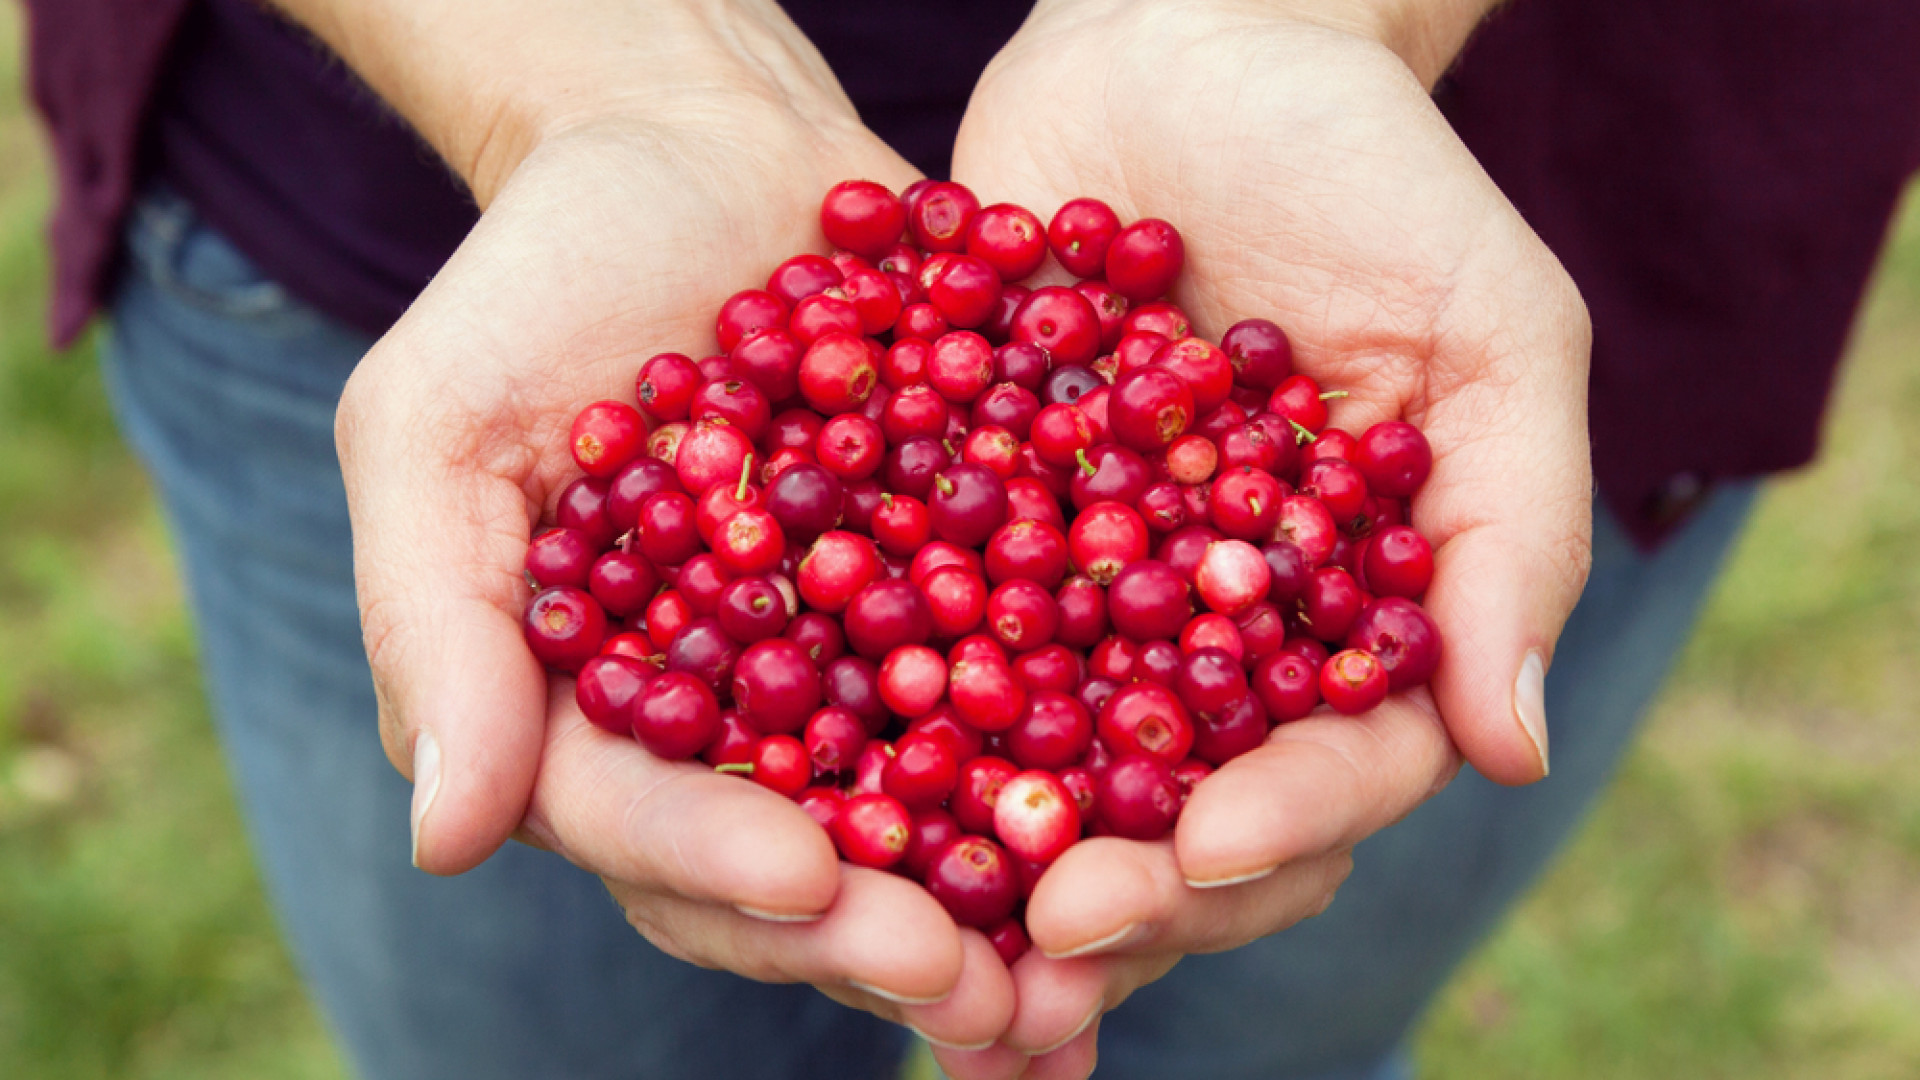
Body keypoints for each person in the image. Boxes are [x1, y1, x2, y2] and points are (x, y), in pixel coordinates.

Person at [23, 0, 1919, 1077]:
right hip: (403, 199)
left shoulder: (1213, 465)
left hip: (1478, 210)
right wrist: (596, 71)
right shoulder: (763, 485)